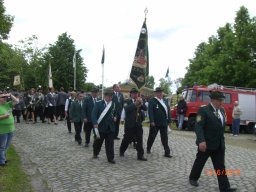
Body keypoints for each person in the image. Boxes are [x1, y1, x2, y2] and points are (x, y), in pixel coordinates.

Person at [189, 91, 237, 192]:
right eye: (219, 100)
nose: (221, 102)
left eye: (222, 100)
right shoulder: (203, 110)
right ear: (213, 100)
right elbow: (198, 126)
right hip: (206, 144)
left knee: (220, 166)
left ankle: (225, 187)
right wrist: (201, 141)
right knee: (200, 162)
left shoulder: (222, 111)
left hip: (219, 145)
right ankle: (193, 178)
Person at [119, 88, 147, 161]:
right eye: (133, 93)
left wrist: (141, 103)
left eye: (136, 93)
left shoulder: (140, 100)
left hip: (138, 124)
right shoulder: (127, 101)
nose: (135, 94)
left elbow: (145, 108)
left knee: (139, 140)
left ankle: (140, 155)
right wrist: (135, 104)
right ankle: (122, 150)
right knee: (127, 139)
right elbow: (127, 109)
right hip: (129, 124)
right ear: (131, 94)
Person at [91, 90, 117, 164]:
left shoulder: (113, 104)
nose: (110, 98)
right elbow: (93, 114)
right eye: (108, 96)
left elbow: (115, 113)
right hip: (101, 127)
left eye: (111, 96)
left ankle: (110, 158)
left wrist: (115, 117)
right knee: (98, 142)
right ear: (105, 96)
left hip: (110, 127)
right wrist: (95, 123)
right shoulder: (98, 104)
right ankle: (95, 153)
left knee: (110, 144)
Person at [146, 87, 172, 158]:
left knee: (164, 138)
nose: (160, 93)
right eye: (158, 92)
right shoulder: (152, 101)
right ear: (155, 93)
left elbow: (168, 112)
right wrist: (151, 121)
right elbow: (150, 111)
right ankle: (148, 148)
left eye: (160, 92)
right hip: (155, 122)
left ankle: (167, 152)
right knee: (152, 136)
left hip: (164, 122)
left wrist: (169, 121)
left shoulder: (165, 101)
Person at [0, 92, 19, 166]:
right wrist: (4, 117)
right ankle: (1, 162)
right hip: (2, 130)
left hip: (11, 129)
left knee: (7, 146)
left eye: (5, 97)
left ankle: (3, 159)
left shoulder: (8, 104)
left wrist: (10, 95)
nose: (5, 98)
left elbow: (17, 101)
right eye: (2, 97)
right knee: (2, 146)